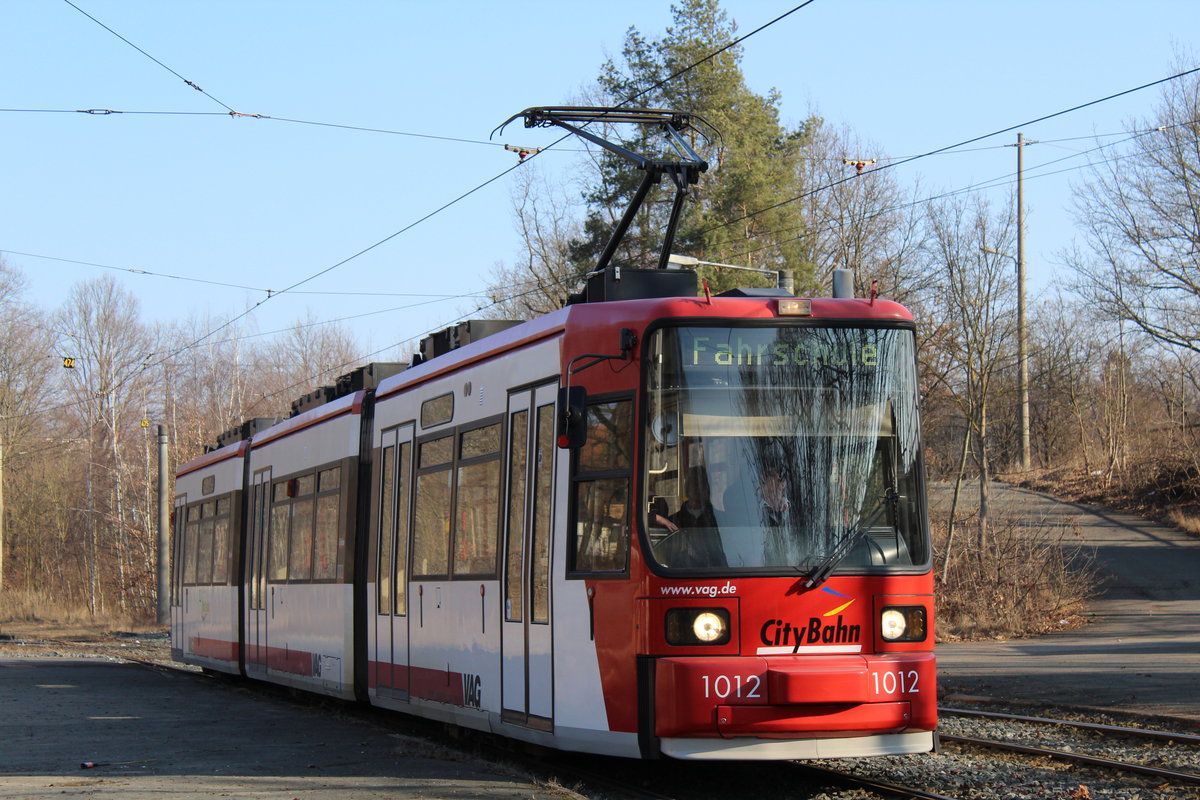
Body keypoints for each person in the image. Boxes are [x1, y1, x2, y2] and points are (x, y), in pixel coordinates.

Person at [657, 468, 717, 532]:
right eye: (694, 484)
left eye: (702, 484)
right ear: (687, 487)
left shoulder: (719, 520)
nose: (698, 488)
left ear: (708, 488)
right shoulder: (673, 521)